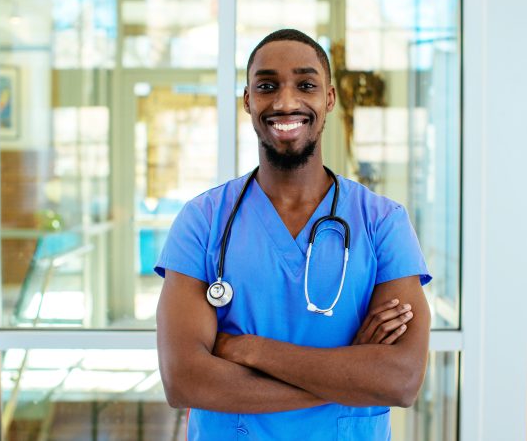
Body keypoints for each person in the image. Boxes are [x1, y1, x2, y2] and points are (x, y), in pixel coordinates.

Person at [155, 28, 431, 440]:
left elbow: (400, 380)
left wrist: (248, 349)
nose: (285, 102)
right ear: (248, 101)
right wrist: (347, 374)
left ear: (330, 99)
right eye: (267, 86)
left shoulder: (382, 221)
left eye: (306, 85)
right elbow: (185, 381)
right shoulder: (202, 220)